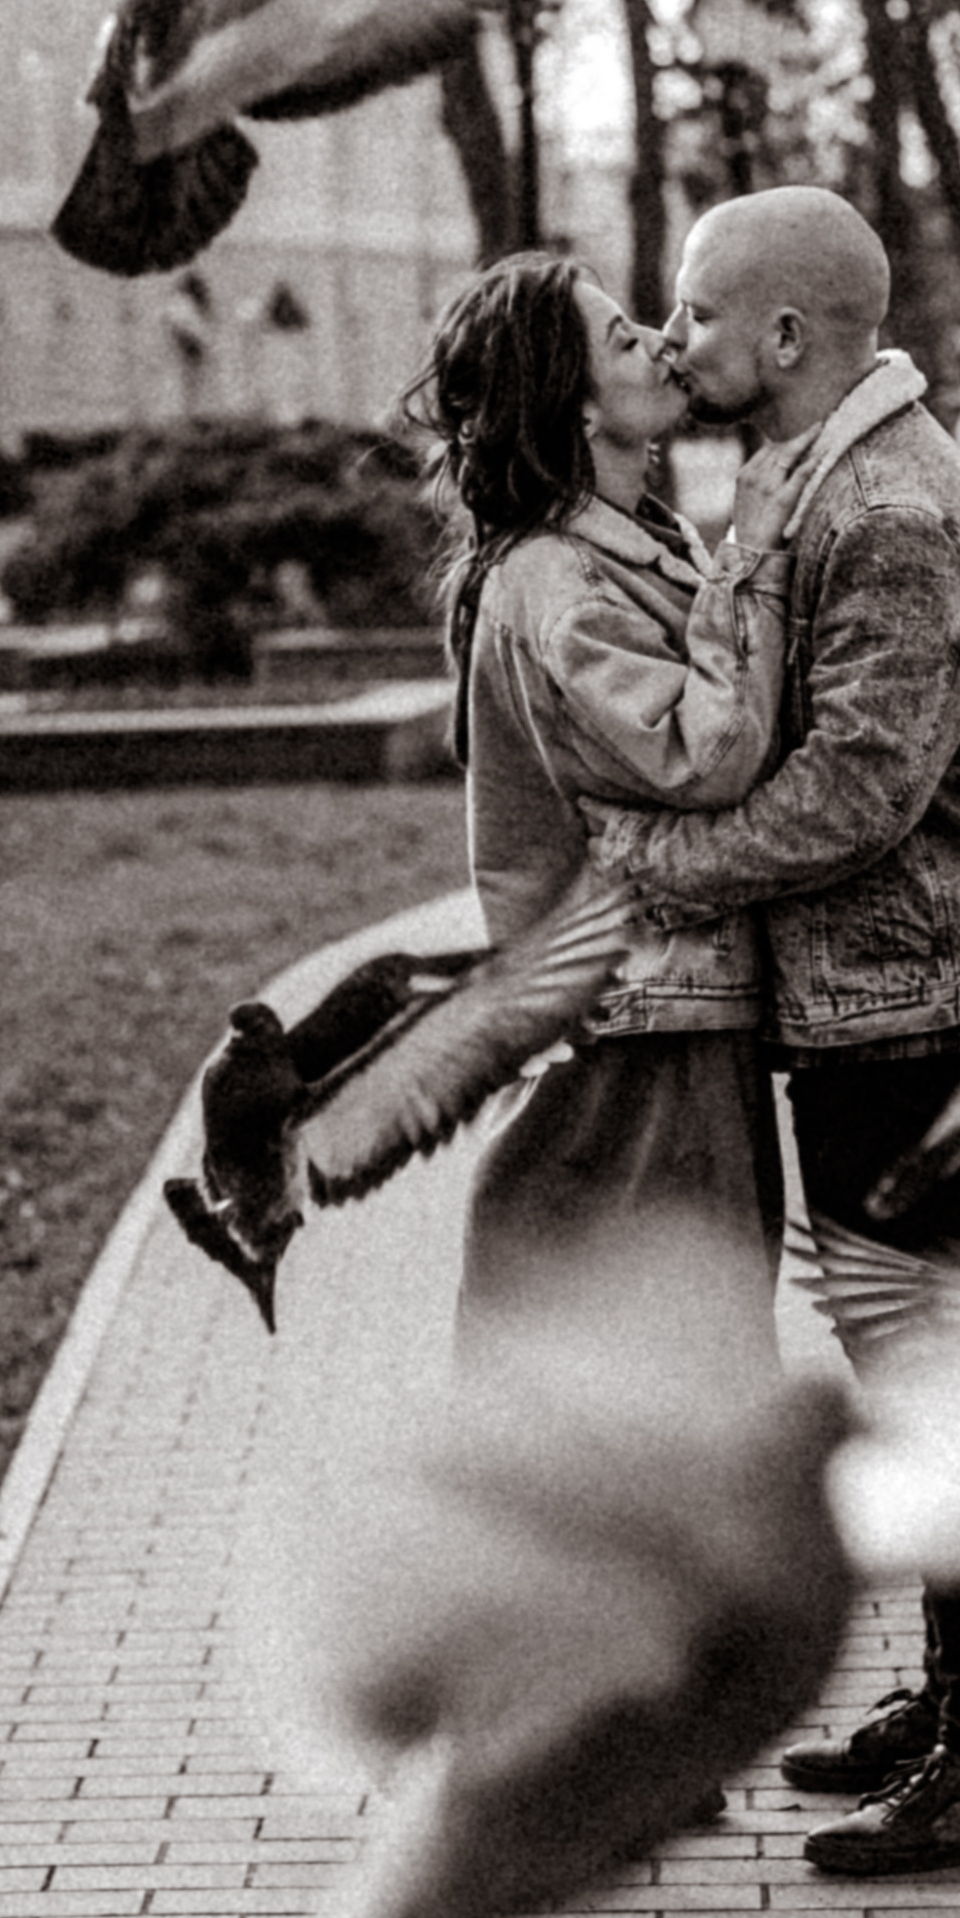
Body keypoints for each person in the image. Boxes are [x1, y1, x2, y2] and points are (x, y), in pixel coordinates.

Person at [584, 185, 960, 1879]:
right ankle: (958, 1701)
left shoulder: (887, 506)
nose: (676, 341)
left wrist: (657, 866)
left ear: (784, 336)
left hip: (914, 999)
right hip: (864, 997)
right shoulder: (802, 473)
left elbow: (860, 792)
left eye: (698, 316)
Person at [411, 249, 818, 1361]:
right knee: (679, 1374)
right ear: (577, 405)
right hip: (637, 1033)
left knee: (675, 1359)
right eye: (620, 337)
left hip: (673, 1020)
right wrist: (757, 563)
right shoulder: (552, 579)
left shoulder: (630, 545)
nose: (657, 340)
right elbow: (703, 755)